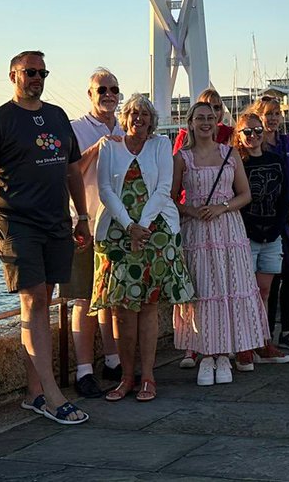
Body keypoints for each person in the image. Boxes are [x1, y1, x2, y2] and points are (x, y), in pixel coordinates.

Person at [0, 50, 90, 425]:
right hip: (16, 223)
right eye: (30, 72)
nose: (37, 78)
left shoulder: (57, 116)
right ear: (13, 76)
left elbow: (73, 171)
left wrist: (83, 217)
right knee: (34, 300)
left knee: (43, 301)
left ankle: (33, 393)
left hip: (56, 222)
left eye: (42, 72)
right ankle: (53, 396)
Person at [92, 94, 193, 402]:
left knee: (148, 305)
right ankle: (126, 377)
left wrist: (143, 226)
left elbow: (164, 188)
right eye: (133, 113)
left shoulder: (160, 145)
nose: (139, 118)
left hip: (156, 231)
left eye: (145, 113)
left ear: (152, 120)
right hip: (118, 234)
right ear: (125, 118)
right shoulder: (109, 146)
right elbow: (105, 189)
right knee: (122, 310)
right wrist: (129, 226)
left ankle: (148, 376)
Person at [172, 103, 267, 386]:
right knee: (202, 292)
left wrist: (221, 207)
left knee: (228, 288)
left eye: (210, 118)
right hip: (197, 232)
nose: (205, 123)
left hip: (228, 229)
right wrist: (192, 210)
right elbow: (172, 198)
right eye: (200, 118)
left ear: (217, 122)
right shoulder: (181, 158)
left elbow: (245, 194)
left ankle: (224, 353)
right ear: (190, 122)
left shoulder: (230, 153)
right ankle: (205, 353)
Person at [66, 68, 123, 397]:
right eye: (102, 90)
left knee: (115, 297)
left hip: (121, 226)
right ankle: (84, 370)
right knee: (85, 298)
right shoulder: (76, 130)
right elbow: (68, 172)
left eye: (114, 89)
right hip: (86, 223)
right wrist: (97, 149)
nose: (109, 95)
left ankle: (114, 361)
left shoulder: (125, 127)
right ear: (90, 94)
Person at [233, 108, 289, 367]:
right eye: (247, 131)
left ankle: (262, 341)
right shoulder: (237, 163)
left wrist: (276, 229)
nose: (253, 135)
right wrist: (253, 230)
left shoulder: (276, 160)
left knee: (264, 292)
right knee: (245, 293)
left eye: (257, 130)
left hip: (272, 235)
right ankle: (244, 346)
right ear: (238, 134)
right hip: (247, 235)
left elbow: (284, 198)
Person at [254, 96, 289, 352]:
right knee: (269, 279)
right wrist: (285, 206)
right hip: (269, 221)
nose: (273, 118)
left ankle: (287, 331)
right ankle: (265, 334)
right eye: (268, 114)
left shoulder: (287, 143)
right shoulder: (256, 145)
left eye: (277, 113)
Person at [172, 87, 233, 153]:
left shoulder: (230, 134)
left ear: (221, 110)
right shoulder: (184, 137)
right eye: (207, 107)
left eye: (216, 107)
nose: (212, 112)